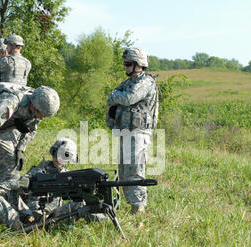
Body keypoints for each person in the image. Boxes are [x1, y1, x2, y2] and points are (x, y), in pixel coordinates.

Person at [0, 82, 60, 181]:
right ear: (34, 107)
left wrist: (20, 149)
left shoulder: (39, 108)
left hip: (4, 124)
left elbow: (30, 130)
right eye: (42, 114)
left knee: (11, 162)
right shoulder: (11, 101)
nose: (42, 117)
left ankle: (8, 193)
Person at [106, 47, 159, 214]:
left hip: (138, 133)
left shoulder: (145, 82)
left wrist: (116, 97)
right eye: (125, 64)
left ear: (139, 64)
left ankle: (139, 207)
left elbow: (128, 98)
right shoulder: (130, 82)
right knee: (124, 170)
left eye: (128, 64)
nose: (125, 67)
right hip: (125, 131)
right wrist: (115, 96)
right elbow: (113, 95)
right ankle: (132, 205)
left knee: (135, 170)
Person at [23, 138, 107, 222]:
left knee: (79, 202)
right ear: (53, 152)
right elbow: (20, 189)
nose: (59, 158)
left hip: (54, 214)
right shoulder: (39, 171)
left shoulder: (68, 175)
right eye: (57, 154)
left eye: (64, 156)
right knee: (78, 204)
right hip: (35, 215)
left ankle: (101, 218)